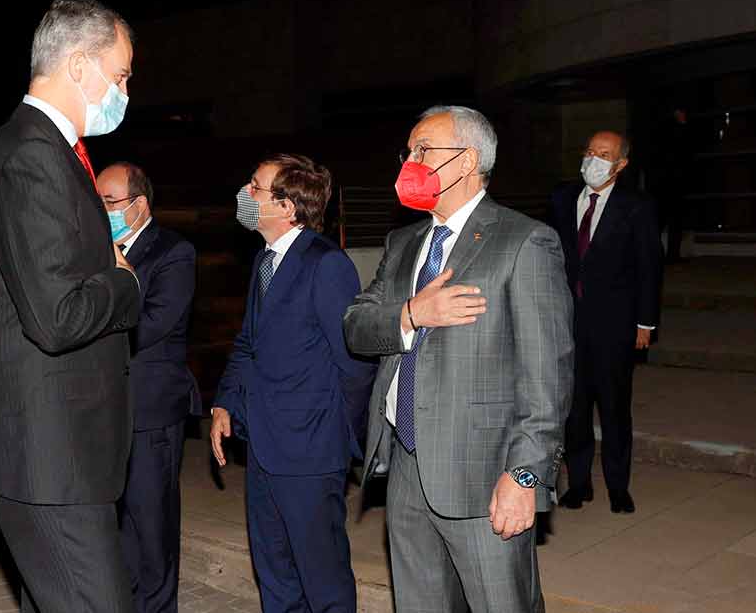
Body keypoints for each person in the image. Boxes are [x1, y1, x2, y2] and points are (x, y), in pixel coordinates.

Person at [344, 106, 573, 612]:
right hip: (405, 467)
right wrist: (410, 313)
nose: (410, 162)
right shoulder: (404, 243)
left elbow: (548, 377)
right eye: (408, 152)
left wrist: (526, 477)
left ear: (467, 160)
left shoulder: (524, 241)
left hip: (484, 477)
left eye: (423, 150)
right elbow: (356, 327)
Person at [0, 0, 141, 613]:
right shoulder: (34, 154)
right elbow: (56, 316)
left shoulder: (44, 148)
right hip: (49, 457)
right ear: (77, 64)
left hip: (56, 455)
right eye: (119, 75)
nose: (124, 91)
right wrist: (123, 281)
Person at [210, 153, 375, 613]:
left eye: (255, 187)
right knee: (276, 573)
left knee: (322, 579)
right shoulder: (266, 259)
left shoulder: (326, 265)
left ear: (287, 207)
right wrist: (225, 403)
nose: (245, 194)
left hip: (309, 451)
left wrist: (337, 435)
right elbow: (248, 343)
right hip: (262, 444)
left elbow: (356, 363)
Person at [97, 162, 200, 613]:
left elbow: (153, 324)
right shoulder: (95, 249)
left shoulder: (173, 252)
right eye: (96, 200)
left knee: (152, 523)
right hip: (105, 408)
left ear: (139, 205)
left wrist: (119, 281)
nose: (102, 209)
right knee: (117, 523)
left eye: (110, 201)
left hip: (151, 410)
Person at [549, 130, 662, 514]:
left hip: (616, 326)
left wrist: (645, 324)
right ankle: (578, 485)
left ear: (621, 164)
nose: (593, 158)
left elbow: (649, 267)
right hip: (568, 324)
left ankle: (618, 487)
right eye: (590, 150)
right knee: (574, 409)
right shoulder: (563, 198)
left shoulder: (637, 206)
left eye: (604, 153)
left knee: (614, 408)